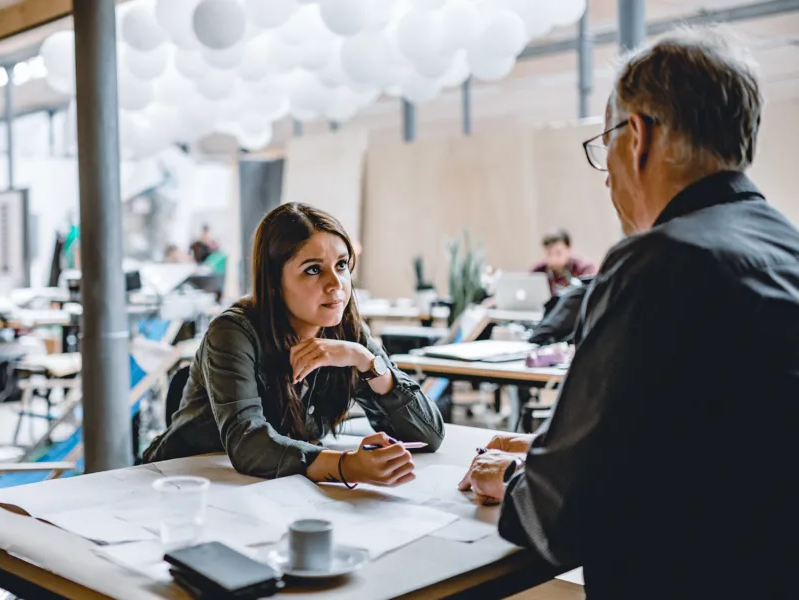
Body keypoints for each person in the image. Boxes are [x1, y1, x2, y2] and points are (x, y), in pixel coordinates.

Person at [457, 29, 795, 598]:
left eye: (604, 144)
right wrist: (548, 451)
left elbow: (560, 515)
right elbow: (713, 444)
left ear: (637, 137)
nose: (607, 173)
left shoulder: (660, 261)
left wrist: (515, 480)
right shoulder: (785, 249)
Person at [144, 203, 444, 484]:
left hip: (270, 489)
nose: (336, 284)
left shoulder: (348, 332)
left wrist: (366, 362)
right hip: (180, 483)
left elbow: (428, 435)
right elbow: (248, 442)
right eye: (313, 269)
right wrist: (345, 466)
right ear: (275, 282)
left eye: (341, 265)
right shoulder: (233, 332)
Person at [530, 229, 596, 295]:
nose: (553, 259)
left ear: (569, 250)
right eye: (549, 254)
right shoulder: (538, 272)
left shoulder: (584, 269)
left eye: (558, 253)